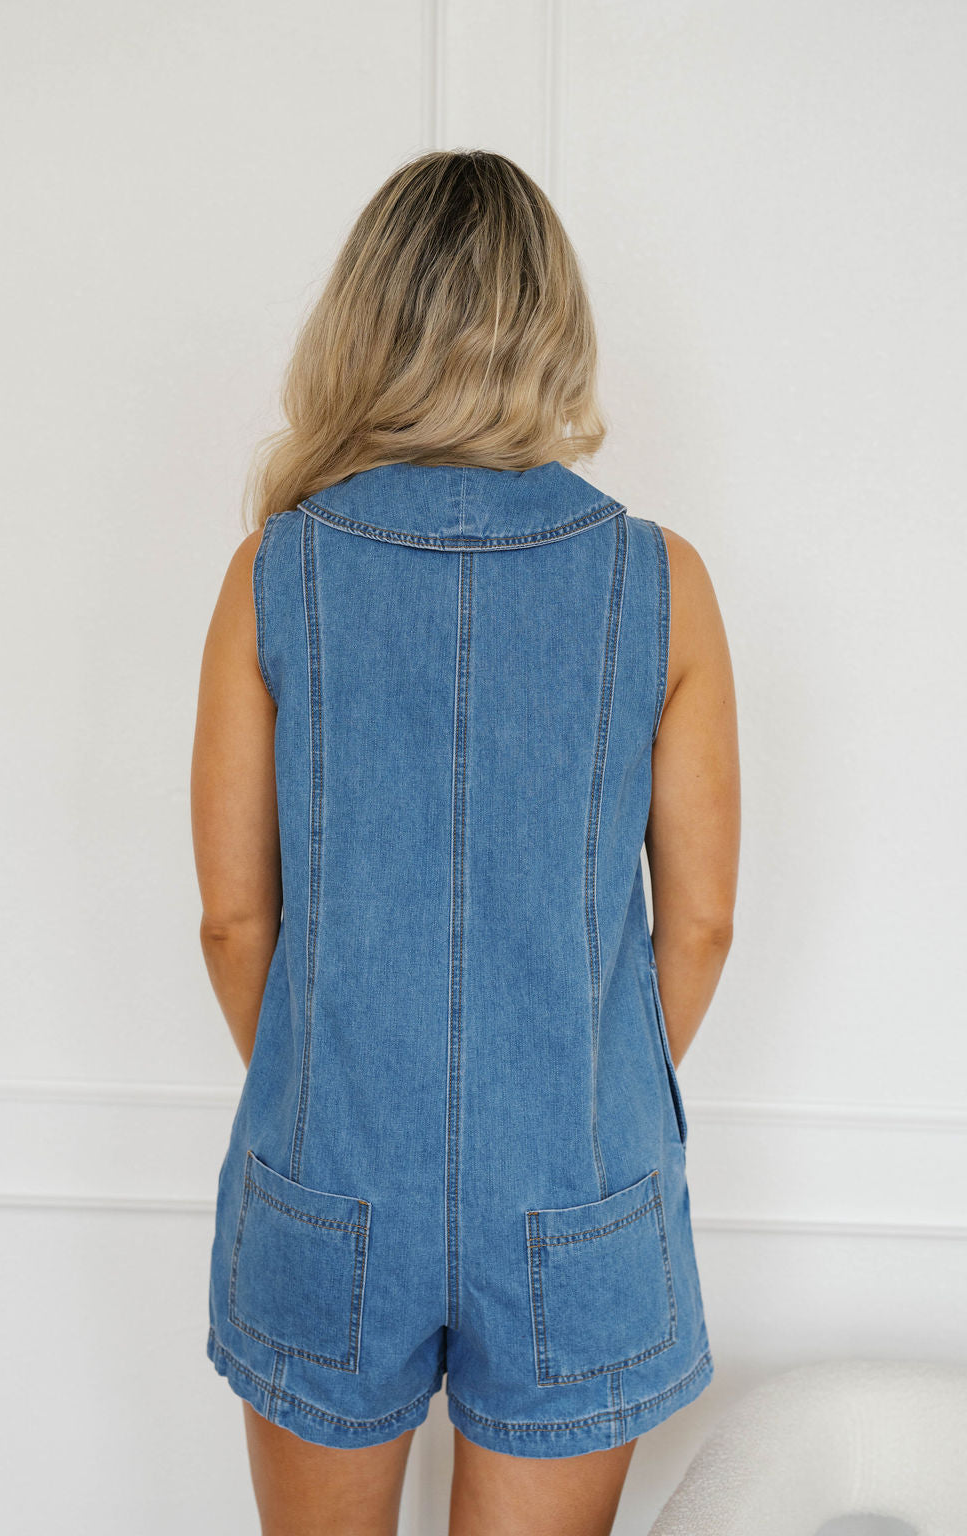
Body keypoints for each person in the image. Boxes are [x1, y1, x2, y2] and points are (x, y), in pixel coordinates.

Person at [191, 148, 740, 1536]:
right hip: (577, 1185)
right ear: (555, 329)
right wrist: (578, 1087)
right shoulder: (660, 583)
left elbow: (235, 921)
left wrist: (329, 1083)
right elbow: (700, 923)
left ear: (361, 324)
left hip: (330, 1171)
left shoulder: (275, 574)